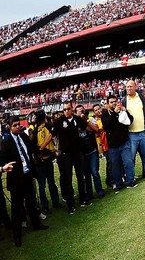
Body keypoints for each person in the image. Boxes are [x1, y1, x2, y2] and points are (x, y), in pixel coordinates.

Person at [0, 116, 49, 247]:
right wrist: (5, 167)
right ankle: (17, 235)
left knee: (31, 202)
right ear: (9, 127)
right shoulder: (6, 142)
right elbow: (2, 160)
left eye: (18, 124)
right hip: (16, 180)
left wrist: (49, 151)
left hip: (27, 175)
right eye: (14, 125)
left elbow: (34, 148)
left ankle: (36, 224)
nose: (17, 127)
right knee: (16, 208)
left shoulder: (23, 137)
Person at [41, 102, 89, 214]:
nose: (66, 111)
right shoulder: (59, 121)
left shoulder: (77, 119)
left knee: (80, 177)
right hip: (66, 155)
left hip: (78, 153)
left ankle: (83, 200)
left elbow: (85, 127)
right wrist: (42, 147)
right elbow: (51, 135)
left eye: (68, 109)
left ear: (72, 109)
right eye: (64, 110)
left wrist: (85, 117)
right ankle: (71, 205)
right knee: (68, 179)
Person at [122, 80, 145, 178]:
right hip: (131, 134)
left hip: (143, 132)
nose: (128, 88)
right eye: (127, 87)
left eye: (130, 87)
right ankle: (130, 176)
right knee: (131, 157)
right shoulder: (124, 100)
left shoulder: (141, 98)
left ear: (135, 87)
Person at [30, 109, 63, 212]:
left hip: (44, 160)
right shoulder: (35, 130)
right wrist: (50, 152)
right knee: (45, 184)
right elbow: (35, 148)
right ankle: (49, 204)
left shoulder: (35, 129)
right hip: (41, 160)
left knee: (47, 184)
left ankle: (51, 204)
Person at [102, 95, 135, 192]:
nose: (114, 103)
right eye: (111, 102)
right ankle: (118, 184)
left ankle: (130, 182)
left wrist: (126, 112)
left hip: (124, 142)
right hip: (113, 145)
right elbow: (106, 125)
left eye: (115, 101)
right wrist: (114, 114)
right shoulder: (105, 113)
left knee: (128, 163)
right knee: (115, 166)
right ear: (108, 104)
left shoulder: (121, 111)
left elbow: (130, 121)